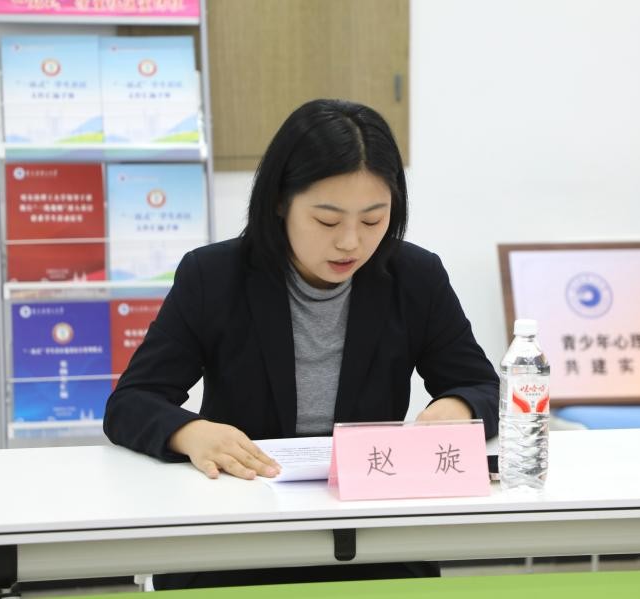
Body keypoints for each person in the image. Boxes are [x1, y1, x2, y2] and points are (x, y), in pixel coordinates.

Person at [103, 99, 499, 589]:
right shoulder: (214, 276)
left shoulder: (415, 277)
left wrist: (457, 408)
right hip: (238, 525)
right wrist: (191, 433)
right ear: (280, 202)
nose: (350, 242)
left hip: (368, 532)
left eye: (373, 220)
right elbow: (131, 402)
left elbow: (482, 387)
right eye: (328, 221)